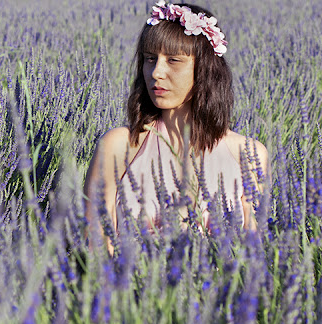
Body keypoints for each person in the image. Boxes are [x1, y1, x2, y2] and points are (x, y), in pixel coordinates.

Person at [83, 1, 269, 252]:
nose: (156, 72)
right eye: (150, 59)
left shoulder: (248, 155)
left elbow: (252, 255)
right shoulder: (119, 147)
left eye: (173, 60)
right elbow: (96, 250)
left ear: (204, 69)